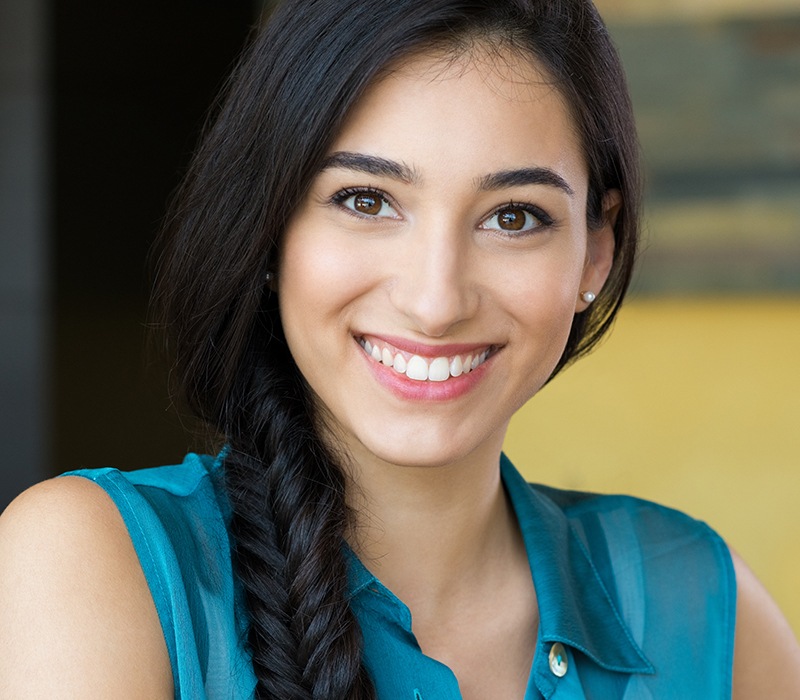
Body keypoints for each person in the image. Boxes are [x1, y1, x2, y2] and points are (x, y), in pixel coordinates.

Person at [1, 0, 798, 697]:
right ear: (272, 228)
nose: (435, 300)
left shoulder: (691, 597)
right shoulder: (97, 566)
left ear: (596, 249)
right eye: (366, 200)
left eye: (513, 217)